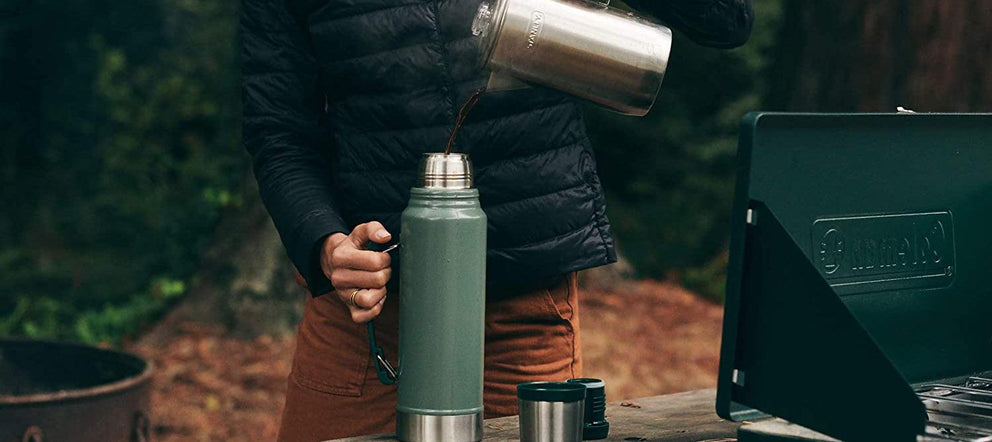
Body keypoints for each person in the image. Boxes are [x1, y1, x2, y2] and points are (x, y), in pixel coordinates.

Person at [241, 0, 753, 440]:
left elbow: (727, 19)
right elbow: (279, 133)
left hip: (521, 318)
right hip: (367, 320)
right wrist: (327, 245)